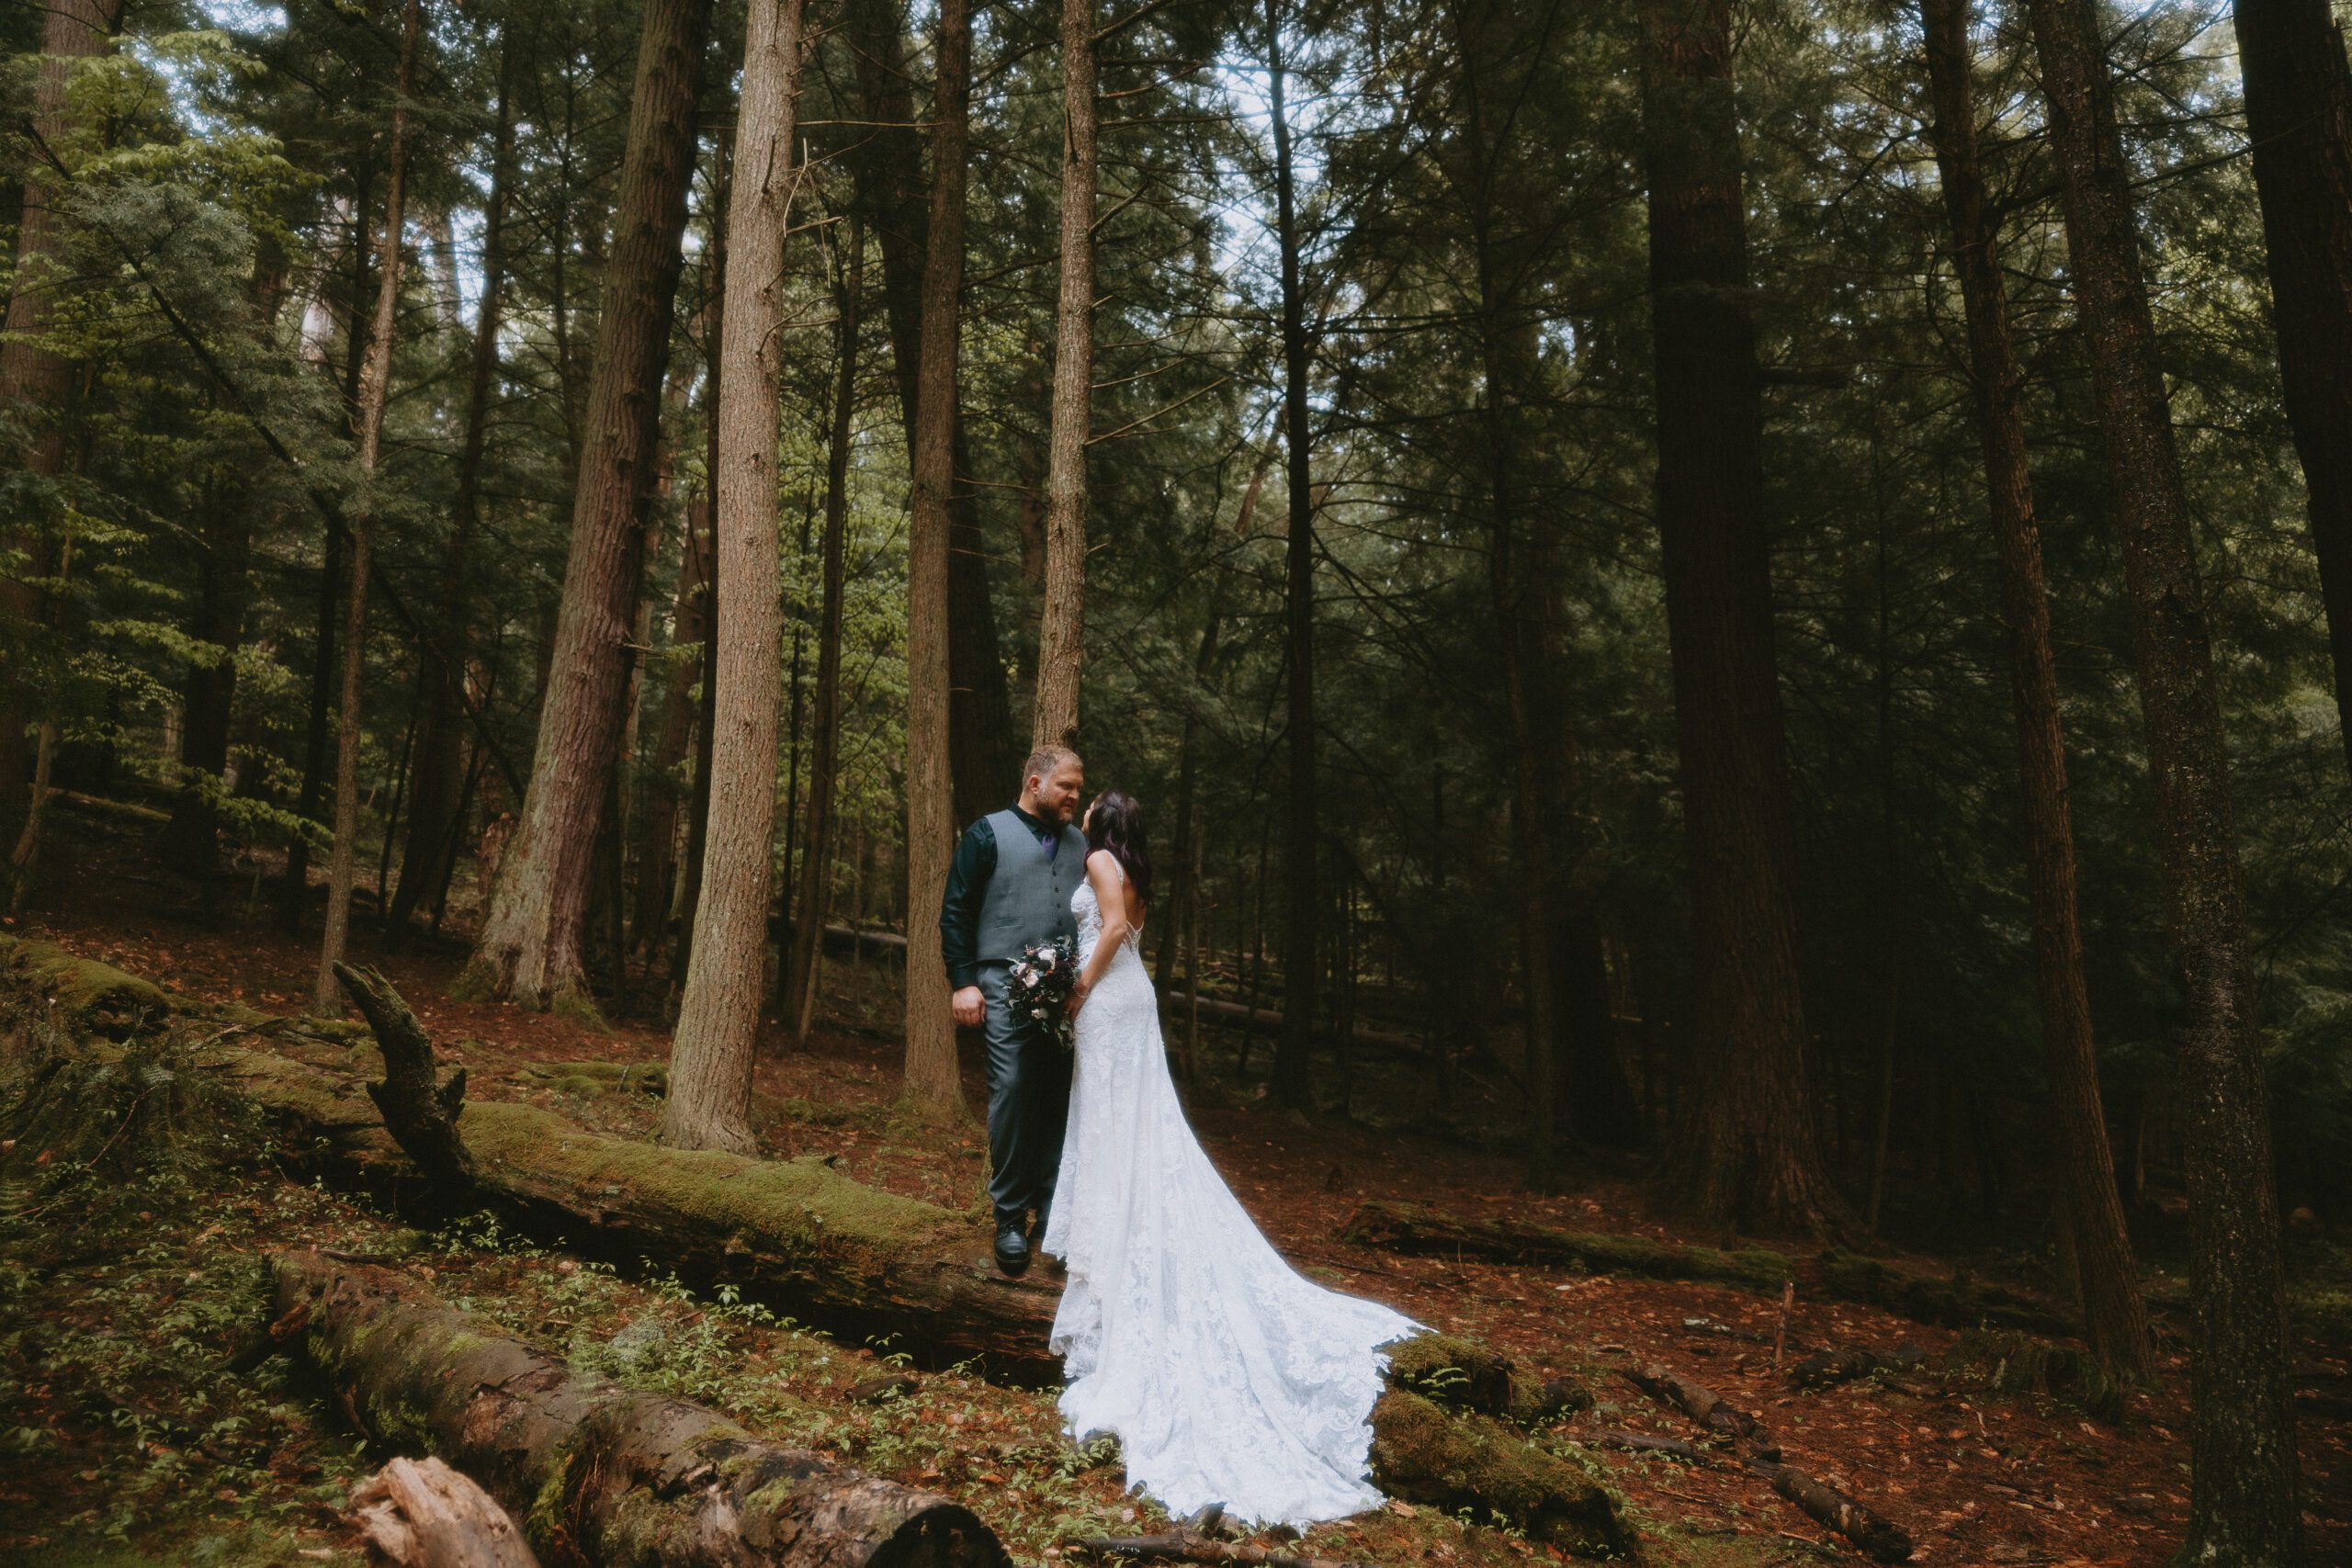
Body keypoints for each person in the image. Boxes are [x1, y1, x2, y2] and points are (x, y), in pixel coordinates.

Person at [1041, 789, 1421, 1528]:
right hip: (1135, 1003)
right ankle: (1119, 1220)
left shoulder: (1096, 858)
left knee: (1114, 1121)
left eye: (1090, 806)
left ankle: (1111, 1235)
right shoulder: (1134, 867)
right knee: (1136, 1124)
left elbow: (1112, 927)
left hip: (1111, 1003)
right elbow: (1129, 920)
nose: (1081, 811)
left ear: (1102, 823)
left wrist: (1078, 987)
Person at [938, 746, 1089, 1276]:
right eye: (1066, 786)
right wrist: (963, 982)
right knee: (1012, 1089)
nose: (1074, 795)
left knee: (1059, 1093)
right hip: (1001, 982)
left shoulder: (1081, 845)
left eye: (1078, 787)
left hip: (1067, 991)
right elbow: (955, 909)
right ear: (1034, 783)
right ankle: (1008, 1217)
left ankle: (1050, 1212)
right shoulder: (987, 833)